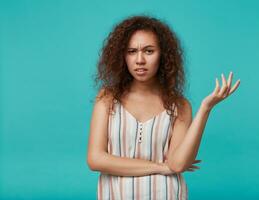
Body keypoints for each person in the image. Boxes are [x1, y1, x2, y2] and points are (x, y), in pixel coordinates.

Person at [87, 15, 240, 200]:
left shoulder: (180, 105)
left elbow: (177, 165)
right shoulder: (107, 99)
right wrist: (159, 166)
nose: (140, 60)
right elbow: (95, 159)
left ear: (163, 55)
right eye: (132, 51)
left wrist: (205, 108)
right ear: (123, 56)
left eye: (149, 51)